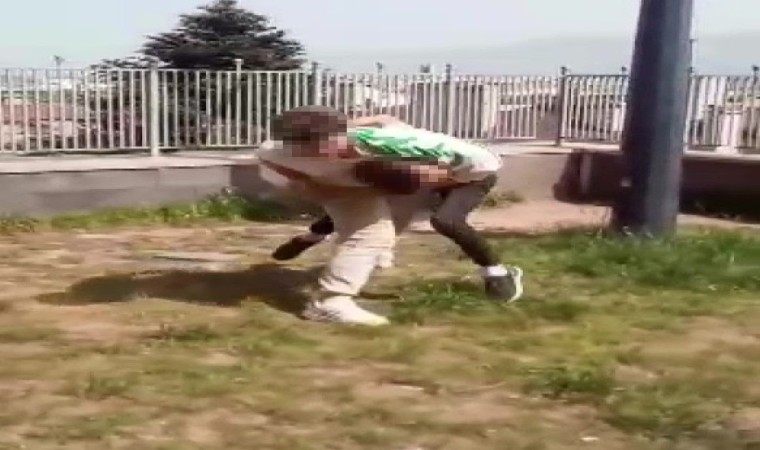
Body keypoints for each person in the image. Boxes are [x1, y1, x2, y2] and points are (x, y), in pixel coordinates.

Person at [270, 113, 524, 302]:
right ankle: (312, 236)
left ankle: (498, 272)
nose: (313, 155)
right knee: (366, 201)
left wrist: (395, 186)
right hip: (422, 170)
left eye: (316, 149)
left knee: (446, 221)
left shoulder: (396, 147)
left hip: (472, 175)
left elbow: (439, 175)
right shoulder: (353, 135)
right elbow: (385, 118)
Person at [258, 106, 454, 326]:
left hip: (371, 173)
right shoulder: (278, 158)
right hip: (337, 185)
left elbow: (442, 163)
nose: (339, 147)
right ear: (297, 146)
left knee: (384, 228)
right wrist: (373, 189)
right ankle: (329, 304)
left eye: (339, 137)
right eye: (323, 145)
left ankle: (366, 262)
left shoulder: (390, 140)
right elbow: (319, 193)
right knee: (369, 234)